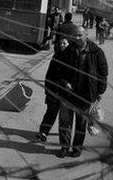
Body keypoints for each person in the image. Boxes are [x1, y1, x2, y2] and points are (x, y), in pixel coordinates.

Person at [55, 25, 108, 158]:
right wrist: (65, 82)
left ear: (86, 36)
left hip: (86, 95)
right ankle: (64, 147)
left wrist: (100, 92)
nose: (77, 38)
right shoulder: (68, 51)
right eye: (75, 36)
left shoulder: (97, 52)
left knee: (81, 123)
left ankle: (77, 148)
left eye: (80, 35)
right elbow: (59, 71)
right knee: (65, 122)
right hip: (68, 94)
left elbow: (103, 74)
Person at [35, 37, 72, 143]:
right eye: (61, 44)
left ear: (69, 44)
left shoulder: (73, 58)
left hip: (67, 92)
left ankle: (64, 138)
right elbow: (50, 75)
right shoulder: (56, 56)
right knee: (51, 113)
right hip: (54, 91)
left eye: (65, 43)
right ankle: (43, 133)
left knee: (65, 117)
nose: (63, 45)